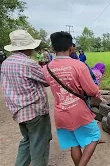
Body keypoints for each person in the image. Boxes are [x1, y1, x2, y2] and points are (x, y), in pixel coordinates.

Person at [43, 31, 101, 165]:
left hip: (60, 113)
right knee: (94, 137)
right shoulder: (79, 65)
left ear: (53, 48)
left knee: (74, 144)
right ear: (70, 47)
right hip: (79, 112)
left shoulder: (46, 68)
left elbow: (47, 83)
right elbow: (91, 90)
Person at [1, 30, 52, 166]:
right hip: (34, 111)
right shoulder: (28, 64)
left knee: (27, 140)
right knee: (39, 144)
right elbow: (47, 81)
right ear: (26, 47)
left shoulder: (6, 63)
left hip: (18, 111)